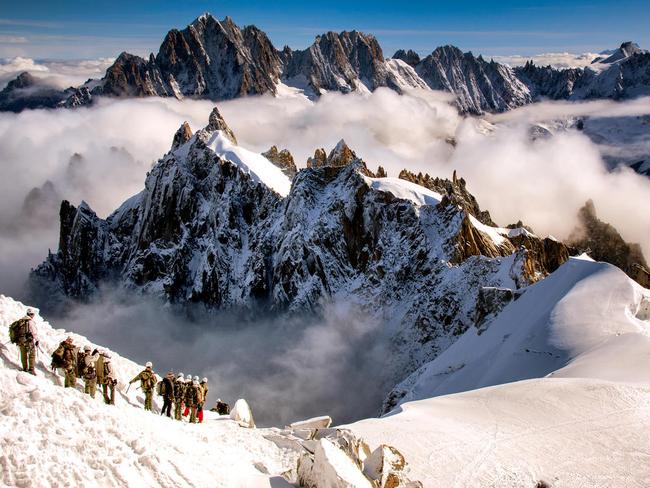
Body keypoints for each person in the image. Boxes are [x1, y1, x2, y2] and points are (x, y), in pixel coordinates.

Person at [8, 309, 38, 375]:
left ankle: (25, 368)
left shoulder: (21, 321)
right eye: (32, 314)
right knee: (31, 354)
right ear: (31, 314)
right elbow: (34, 332)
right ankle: (31, 369)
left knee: (23, 354)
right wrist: (37, 340)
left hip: (21, 341)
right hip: (28, 340)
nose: (33, 316)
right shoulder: (30, 322)